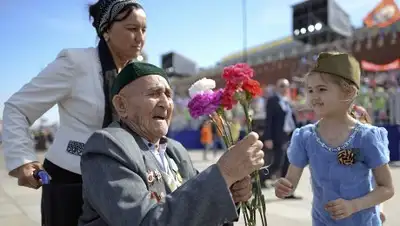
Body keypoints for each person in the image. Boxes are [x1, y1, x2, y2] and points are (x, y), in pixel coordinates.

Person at [2, 1, 146, 225]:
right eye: (131, 29)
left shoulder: (137, 71)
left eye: (143, 30)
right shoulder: (75, 62)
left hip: (120, 177)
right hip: (69, 181)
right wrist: (22, 159)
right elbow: (17, 107)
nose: (140, 37)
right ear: (106, 30)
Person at [78, 62, 265, 226]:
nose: (165, 103)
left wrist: (230, 192)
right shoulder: (107, 146)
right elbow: (144, 221)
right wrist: (224, 173)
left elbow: (195, 207)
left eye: (168, 95)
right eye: (153, 93)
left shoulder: (175, 150)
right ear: (121, 105)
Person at [275, 52, 394, 225]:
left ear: (349, 91)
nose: (314, 96)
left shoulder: (366, 137)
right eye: (310, 90)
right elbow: (290, 182)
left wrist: (354, 205)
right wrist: (283, 187)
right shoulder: (305, 137)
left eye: (322, 89)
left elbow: (386, 188)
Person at [263, 79, 301, 199]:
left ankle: (288, 192)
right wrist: (268, 137)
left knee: (288, 165)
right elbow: (268, 120)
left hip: (290, 136)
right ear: (277, 87)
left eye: (287, 86)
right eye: (282, 86)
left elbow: (292, 119)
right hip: (278, 137)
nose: (285, 88)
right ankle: (257, 180)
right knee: (277, 164)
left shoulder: (288, 101)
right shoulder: (273, 100)